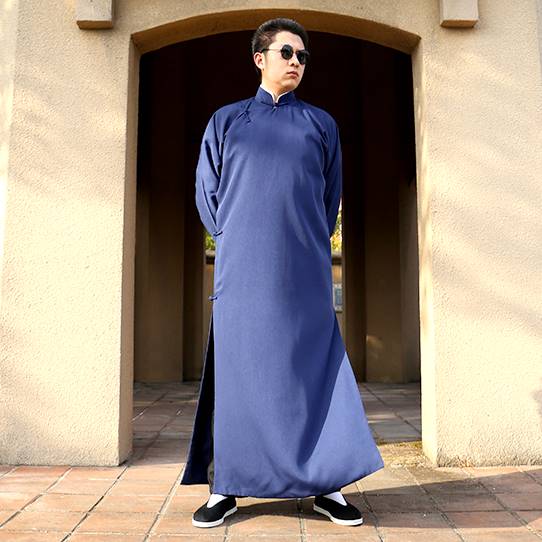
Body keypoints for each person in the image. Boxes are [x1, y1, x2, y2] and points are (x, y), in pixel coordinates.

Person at [180, 17, 385, 528]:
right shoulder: (226, 121)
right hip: (242, 271)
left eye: (302, 56)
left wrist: (308, 242)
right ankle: (226, 486)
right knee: (239, 373)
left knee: (310, 371)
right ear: (260, 59)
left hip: (304, 270)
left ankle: (327, 485)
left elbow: (329, 198)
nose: (296, 62)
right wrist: (234, 238)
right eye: (286, 53)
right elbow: (208, 193)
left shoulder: (321, 124)